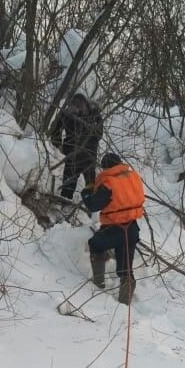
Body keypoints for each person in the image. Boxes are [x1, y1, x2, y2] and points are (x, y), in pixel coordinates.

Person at [80, 153, 145, 304]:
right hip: (132, 229)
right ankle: (125, 302)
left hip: (114, 230)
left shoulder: (109, 183)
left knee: (95, 244)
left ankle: (98, 283)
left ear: (106, 167)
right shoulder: (134, 177)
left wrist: (87, 191)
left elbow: (93, 205)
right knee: (125, 269)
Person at [50, 93, 102, 200]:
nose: (78, 108)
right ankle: (66, 204)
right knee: (68, 186)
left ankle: (89, 209)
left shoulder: (94, 115)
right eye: (75, 105)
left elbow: (98, 134)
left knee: (90, 186)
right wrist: (59, 145)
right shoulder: (67, 114)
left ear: (86, 105)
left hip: (88, 156)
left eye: (80, 106)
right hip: (73, 155)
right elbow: (55, 129)